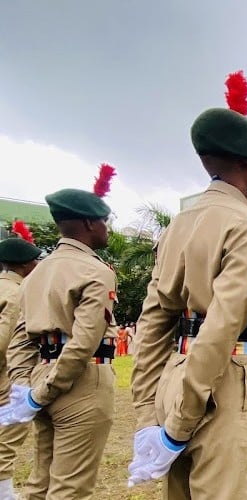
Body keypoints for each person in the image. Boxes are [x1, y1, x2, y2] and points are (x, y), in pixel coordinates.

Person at [127, 71, 247, 499]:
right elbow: (224, 324)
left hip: (173, 375)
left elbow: (153, 320)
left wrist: (146, 415)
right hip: (223, 381)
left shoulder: (178, 225)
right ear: (246, 164)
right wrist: (179, 424)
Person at [1, 187, 118, 500]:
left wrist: (25, 388)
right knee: (71, 486)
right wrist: (42, 393)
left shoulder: (36, 275)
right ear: (90, 224)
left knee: (41, 481)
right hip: (82, 379)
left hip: (41, 372)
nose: (107, 229)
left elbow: (19, 341)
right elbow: (84, 342)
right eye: (105, 222)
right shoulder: (95, 271)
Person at [0, 234, 41, 499]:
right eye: (36, 260)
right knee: (5, 444)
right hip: (6, 379)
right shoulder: (16, 293)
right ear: (25, 264)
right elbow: (5, 340)